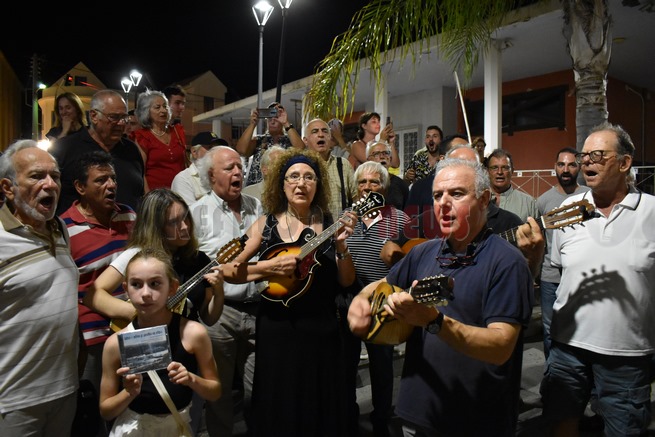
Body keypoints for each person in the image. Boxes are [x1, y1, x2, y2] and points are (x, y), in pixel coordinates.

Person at [348, 157, 535, 436]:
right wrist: (361, 303)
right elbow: (381, 284)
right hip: (417, 412)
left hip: (476, 419)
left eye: (456, 194)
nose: (443, 203)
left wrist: (434, 321)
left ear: (484, 200)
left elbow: (500, 347)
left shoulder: (508, 262)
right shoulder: (423, 252)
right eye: (437, 195)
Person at [221, 148, 357, 436]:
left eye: (309, 177)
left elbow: (346, 281)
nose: (301, 183)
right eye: (293, 177)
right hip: (278, 330)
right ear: (281, 185)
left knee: (320, 404)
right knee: (280, 402)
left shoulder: (330, 223)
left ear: (318, 185)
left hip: (321, 330)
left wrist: (342, 247)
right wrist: (267, 267)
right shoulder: (266, 224)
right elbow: (230, 270)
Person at [541, 123, 655, 437]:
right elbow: (561, 271)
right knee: (560, 422)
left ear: (625, 162)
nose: (586, 162)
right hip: (566, 349)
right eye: (584, 155)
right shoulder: (566, 210)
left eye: (597, 155)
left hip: (627, 355)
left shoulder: (651, 212)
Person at [0, 140, 79, 436]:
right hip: (13, 400)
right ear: (8, 188)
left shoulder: (60, 230)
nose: (50, 184)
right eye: (36, 176)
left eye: (54, 176)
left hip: (64, 389)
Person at [99, 248, 221, 436]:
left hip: (177, 426)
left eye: (155, 284)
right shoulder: (115, 343)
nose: (145, 293)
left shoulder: (193, 333)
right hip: (133, 429)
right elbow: (106, 411)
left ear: (172, 288)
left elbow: (215, 392)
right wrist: (128, 392)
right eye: (136, 284)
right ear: (126, 289)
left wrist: (191, 379)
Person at [60, 150, 137, 435]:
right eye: (101, 180)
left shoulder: (129, 215)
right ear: (80, 187)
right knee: (95, 409)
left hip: (131, 328)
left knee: (133, 400)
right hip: (93, 337)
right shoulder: (65, 229)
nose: (111, 185)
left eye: (113, 178)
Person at [189, 145, 263, 437]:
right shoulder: (196, 213)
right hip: (219, 315)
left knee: (258, 390)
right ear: (211, 175)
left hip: (258, 310)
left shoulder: (257, 207)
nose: (237, 172)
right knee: (217, 393)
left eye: (239, 167)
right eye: (229, 167)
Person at [340, 161, 410, 437]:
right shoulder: (345, 217)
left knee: (382, 366)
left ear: (385, 187)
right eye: (362, 182)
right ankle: (348, 417)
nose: (367, 187)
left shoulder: (401, 219)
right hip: (349, 300)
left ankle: (381, 419)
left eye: (374, 182)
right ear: (355, 188)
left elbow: (408, 261)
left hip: (383, 301)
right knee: (346, 364)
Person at [51, 89, 145, 215]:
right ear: (94, 116)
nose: (121, 123)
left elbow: (139, 193)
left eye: (124, 117)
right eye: (114, 117)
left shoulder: (131, 150)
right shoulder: (64, 148)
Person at [536, 146, 589, 360]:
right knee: (550, 329)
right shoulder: (543, 201)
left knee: (581, 328)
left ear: (579, 167)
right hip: (551, 277)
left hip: (581, 276)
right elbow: (540, 242)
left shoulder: (589, 197)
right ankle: (552, 372)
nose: (566, 169)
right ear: (555, 167)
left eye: (571, 165)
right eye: (561, 164)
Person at [236, 101, 304, 187]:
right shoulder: (259, 140)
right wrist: (253, 124)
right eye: (269, 118)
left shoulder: (290, 140)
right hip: (256, 188)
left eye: (276, 117)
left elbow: (301, 150)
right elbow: (241, 150)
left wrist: (286, 123)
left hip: (281, 188)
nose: (273, 121)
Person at [131, 89, 187, 191]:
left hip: (181, 191)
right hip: (156, 194)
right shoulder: (142, 136)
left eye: (165, 106)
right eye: (157, 107)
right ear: (146, 111)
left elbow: (185, 163)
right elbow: (141, 172)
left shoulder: (177, 131)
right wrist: (148, 196)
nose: (163, 110)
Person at [303, 118, 358, 219]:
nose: (321, 135)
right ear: (305, 140)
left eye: (325, 131)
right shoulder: (300, 166)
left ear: (330, 137)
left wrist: (352, 218)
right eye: (315, 131)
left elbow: (356, 198)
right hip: (308, 227)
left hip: (340, 227)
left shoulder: (343, 165)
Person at [171, 131, 228, 206]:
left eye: (217, 149)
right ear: (194, 152)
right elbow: (189, 212)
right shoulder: (183, 179)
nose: (215, 152)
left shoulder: (223, 176)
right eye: (210, 148)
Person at [486, 149, 539, 222]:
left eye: (505, 168)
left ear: (512, 171)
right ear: (487, 171)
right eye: (494, 168)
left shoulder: (529, 203)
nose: (499, 172)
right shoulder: (478, 200)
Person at [366, 140, 408, 210]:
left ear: (390, 159)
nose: (382, 157)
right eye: (376, 154)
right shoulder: (363, 183)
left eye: (385, 153)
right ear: (368, 160)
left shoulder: (401, 184)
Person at [163, 85, 189, 164]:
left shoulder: (179, 130)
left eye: (183, 103)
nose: (182, 107)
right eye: (177, 103)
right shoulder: (150, 131)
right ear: (165, 104)